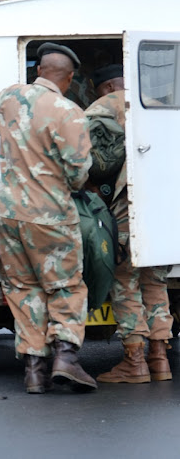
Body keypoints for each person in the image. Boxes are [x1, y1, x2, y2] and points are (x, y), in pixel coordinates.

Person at [0, 42, 97, 394]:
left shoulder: (8, 98)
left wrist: (12, 136)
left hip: (8, 213)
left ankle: (34, 370)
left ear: (39, 70)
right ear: (70, 77)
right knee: (65, 286)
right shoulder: (70, 113)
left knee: (23, 288)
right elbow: (79, 174)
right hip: (50, 215)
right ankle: (66, 359)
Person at [85, 64, 173, 384]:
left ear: (108, 86)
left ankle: (135, 362)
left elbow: (86, 165)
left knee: (123, 281)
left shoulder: (100, 108)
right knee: (155, 281)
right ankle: (159, 357)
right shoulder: (161, 106)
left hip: (126, 212)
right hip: (164, 214)